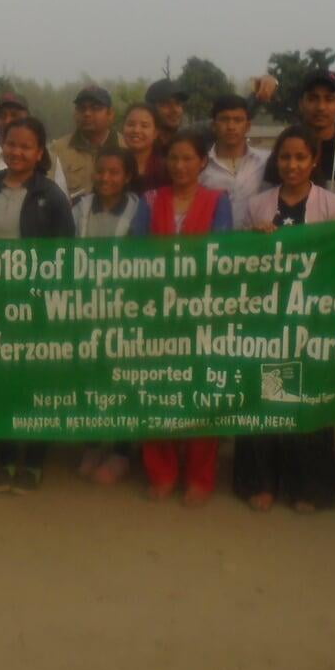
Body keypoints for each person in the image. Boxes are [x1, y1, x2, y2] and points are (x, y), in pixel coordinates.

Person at [235, 125, 335, 511]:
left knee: (307, 400)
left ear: (314, 160)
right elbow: (239, 263)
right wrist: (255, 241)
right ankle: (263, 482)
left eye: (301, 157)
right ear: (276, 161)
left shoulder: (332, 205)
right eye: (285, 157)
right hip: (266, 318)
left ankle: (308, 488)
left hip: (312, 317)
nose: (292, 164)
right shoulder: (257, 205)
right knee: (266, 397)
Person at [0, 117, 75, 493]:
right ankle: (5, 460)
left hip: (37, 306)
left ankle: (35, 462)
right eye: (11, 144)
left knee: (37, 382)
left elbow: (65, 257)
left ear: (40, 153)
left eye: (26, 147)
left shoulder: (52, 196)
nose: (17, 152)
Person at [140, 131, 232, 506]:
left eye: (187, 159)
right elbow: (135, 255)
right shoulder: (150, 200)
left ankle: (199, 477)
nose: (179, 166)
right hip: (156, 312)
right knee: (157, 390)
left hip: (202, 311)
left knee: (201, 392)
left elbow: (221, 255)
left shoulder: (219, 202)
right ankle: (162, 472)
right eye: (173, 158)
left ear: (202, 163)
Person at [70, 145, 150, 486]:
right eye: (101, 171)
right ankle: (92, 444)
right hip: (85, 306)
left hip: (125, 308)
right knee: (90, 378)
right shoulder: (79, 206)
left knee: (123, 379)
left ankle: (120, 451)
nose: (106, 178)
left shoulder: (140, 209)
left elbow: (148, 256)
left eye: (114, 172)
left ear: (128, 176)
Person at [261, 70, 335, 204]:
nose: (321, 107)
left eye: (329, 99)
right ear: (301, 104)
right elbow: (266, 203)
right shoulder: (285, 150)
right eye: (313, 99)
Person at [0, 91, 68, 192]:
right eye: (1, 116)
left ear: (28, 119)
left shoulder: (52, 162)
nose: (7, 121)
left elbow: (61, 200)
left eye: (15, 115)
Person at [201, 94, 270, 230]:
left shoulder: (266, 161)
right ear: (213, 125)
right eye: (224, 120)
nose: (231, 126)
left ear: (248, 126)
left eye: (238, 120)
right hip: (214, 241)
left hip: (258, 239)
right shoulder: (200, 166)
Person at [51, 86, 115, 198]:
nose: (87, 114)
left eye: (95, 108)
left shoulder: (125, 147)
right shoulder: (58, 150)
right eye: (81, 108)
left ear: (110, 114)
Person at [118, 103, 168, 192]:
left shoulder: (167, 169)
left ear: (155, 133)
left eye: (144, 126)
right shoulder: (112, 163)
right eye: (130, 124)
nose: (136, 130)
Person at [145, 79, 188, 154]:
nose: (175, 110)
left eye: (178, 103)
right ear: (151, 109)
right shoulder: (142, 147)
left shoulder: (188, 145)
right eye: (166, 104)